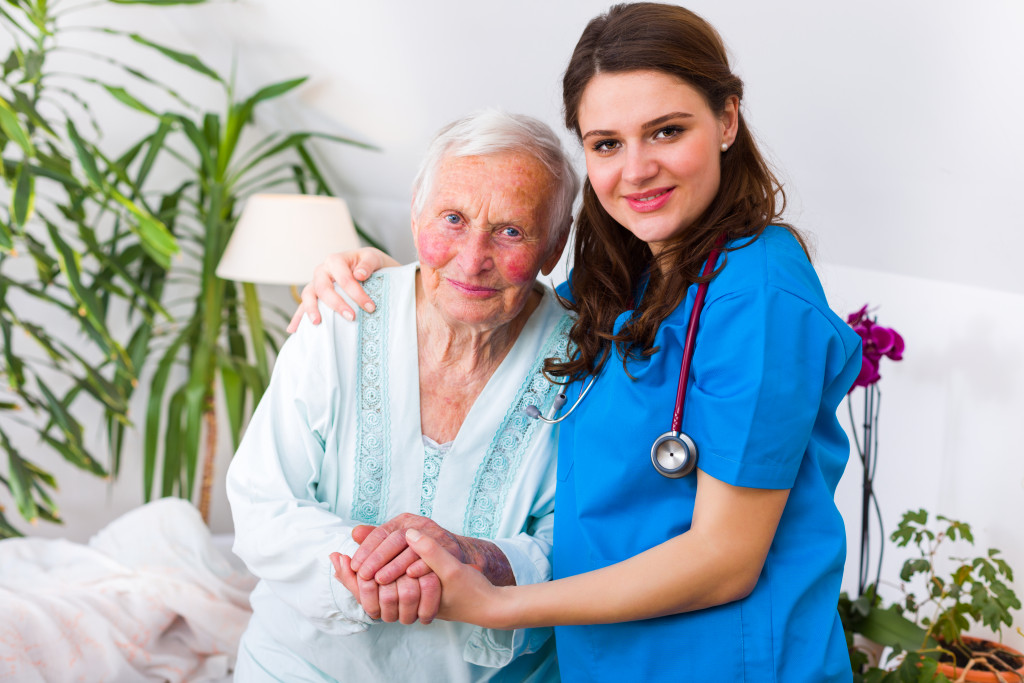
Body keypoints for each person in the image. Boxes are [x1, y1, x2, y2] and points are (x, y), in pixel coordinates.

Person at [296, 4, 862, 681]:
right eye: (606, 143)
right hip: (611, 661)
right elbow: (520, 312)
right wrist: (402, 282)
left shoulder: (761, 295)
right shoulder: (631, 280)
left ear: (727, 121)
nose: (637, 168)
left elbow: (723, 561)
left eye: (667, 131)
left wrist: (495, 604)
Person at [226, 109, 579, 682]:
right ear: (417, 214)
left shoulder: (587, 360)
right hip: (300, 667)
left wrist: (479, 558)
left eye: (510, 230)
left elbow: (583, 542)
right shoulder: (339, 316)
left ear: (556, 242)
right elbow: (263, 500)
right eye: (453, 218)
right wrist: (373, 571)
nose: (472, 259)